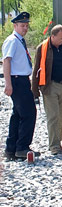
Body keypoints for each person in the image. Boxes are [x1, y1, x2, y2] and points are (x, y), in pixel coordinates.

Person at [32, 24, 62, 154]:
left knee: (61, 117)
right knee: (53, 116)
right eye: (61, 38)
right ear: (53, 36)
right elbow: (36, 69)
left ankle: (58, 143)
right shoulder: (42, 48)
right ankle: (53, 146)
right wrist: (34, 90)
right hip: (50, 86)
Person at [2, 12, 38, 160]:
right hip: (17, 81)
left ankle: (11, 149)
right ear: (15, 26)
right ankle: (22, 147)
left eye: (26, 26)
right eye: (22, 26)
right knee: (29, 114)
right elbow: (7, 61)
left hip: (22, 80)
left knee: (17, 115)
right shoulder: (12, 41)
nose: (25, 28)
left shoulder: (19, 41)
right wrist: (8, 84)